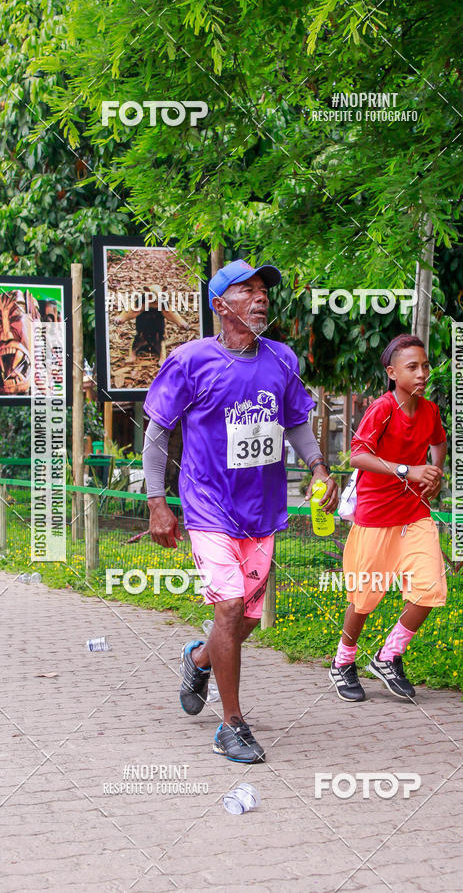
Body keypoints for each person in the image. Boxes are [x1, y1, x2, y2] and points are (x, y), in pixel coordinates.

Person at [142, 259, 338, 763]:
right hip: (208, 507)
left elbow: (295, 422)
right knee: (228, 608)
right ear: (219, 305)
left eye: (263, 291)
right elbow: (158, 431)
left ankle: (200, 657)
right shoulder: (191, 360)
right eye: (246, 290)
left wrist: (317, 466)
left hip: (263, 509)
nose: (261, 298)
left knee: (246, 618)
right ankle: (231, 724)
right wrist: (156, 503)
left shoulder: (281, 359)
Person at [329, 334, 447, 702]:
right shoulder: (382, 408)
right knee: (364, 600)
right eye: (413, 367)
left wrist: (435, 473)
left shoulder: (428, 411)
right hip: (376, 518)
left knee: (431, 590)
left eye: (425, 366)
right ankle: (342, 662)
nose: (422, 373)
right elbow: (358, 456)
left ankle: (389, 655)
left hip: (415, 515)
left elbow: (439, 441)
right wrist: (408, 470)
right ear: (393, 372)